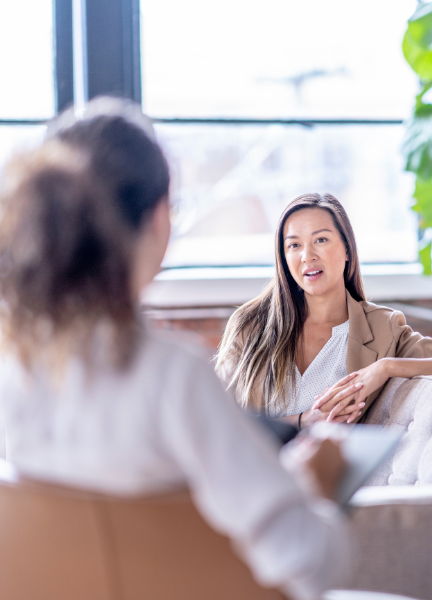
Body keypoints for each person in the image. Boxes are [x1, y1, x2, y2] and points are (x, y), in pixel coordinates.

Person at [0, 99, 350, 600]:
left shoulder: (15, 371)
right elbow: (308, 562)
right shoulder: (171, 376)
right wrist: (312, 489)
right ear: (160, 218)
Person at [216, 193, 432, 430]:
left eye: (321, 240)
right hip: (257, 481)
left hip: (337, 487)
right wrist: (303, 422)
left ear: (348, 249)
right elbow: (215, 420)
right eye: (294, 245)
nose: (307, 255)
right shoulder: (250, 325)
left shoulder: (382, 328)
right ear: (284, 257)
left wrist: (386, 367)